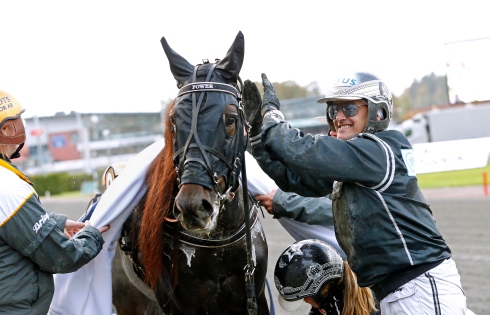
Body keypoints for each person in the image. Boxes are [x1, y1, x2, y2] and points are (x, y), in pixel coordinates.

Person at [243, 73, 469, 314]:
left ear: (377, 112)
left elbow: (302, 152)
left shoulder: (380, 149)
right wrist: (258, 135)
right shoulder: (359, 165)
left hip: (418, 287)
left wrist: (271, 115)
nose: (339, 117)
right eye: (333, 110)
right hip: (401, 291)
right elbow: (293, 179)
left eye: (349, 108)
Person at [0, 90, 109, 314]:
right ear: (5, 129)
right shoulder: (8, 187)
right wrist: (91, 235)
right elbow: (62, 256)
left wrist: (56, 223)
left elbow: (11, 226)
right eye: (18, 119)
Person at [274, 239, 376, 315]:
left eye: (304, 296)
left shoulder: (339, 308)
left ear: (324, 288)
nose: (304, 301)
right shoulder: (336, 297)